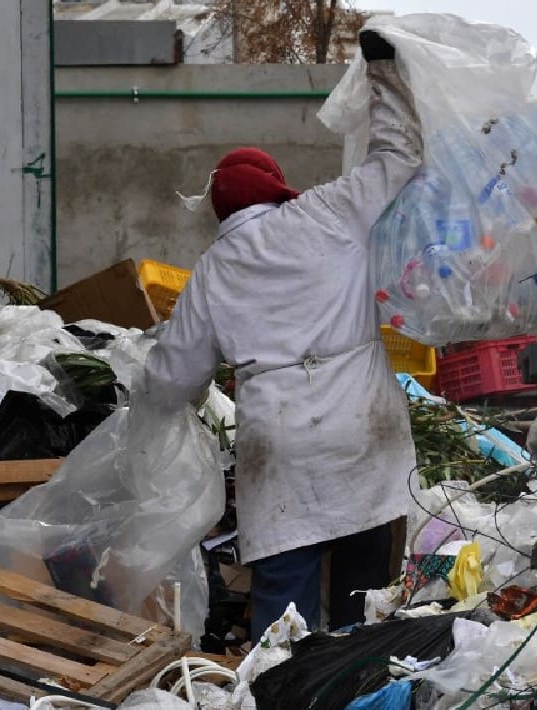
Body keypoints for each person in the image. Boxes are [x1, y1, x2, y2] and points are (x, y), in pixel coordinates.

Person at [142, 30, 421, 641]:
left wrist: (149, 418)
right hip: (362, 429)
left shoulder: (212, 271)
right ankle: (360, 692)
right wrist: (384, 72)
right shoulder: (329, 211)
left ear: (219, 212)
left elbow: (173, 380)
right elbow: (399, 155)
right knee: (364, 603)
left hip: (281, 448)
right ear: (276, 188)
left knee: (284, 622)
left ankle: (281, 699)